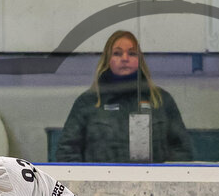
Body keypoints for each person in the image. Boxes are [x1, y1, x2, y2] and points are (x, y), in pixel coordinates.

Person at [55, 30, 193, 163]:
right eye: (117, 53)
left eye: (132, 53)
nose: (125, 59)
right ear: (107, 60)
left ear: (140, 60)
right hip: (101, 185)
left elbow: (182, 150)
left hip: (153, 185)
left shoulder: (160, 100)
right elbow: (67, 152)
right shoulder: (89, 101)